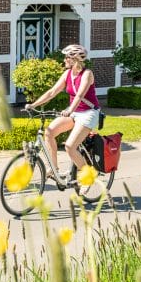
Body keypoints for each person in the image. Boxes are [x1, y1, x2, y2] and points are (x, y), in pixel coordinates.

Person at [26, 43, 100, 183]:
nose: (64, 60)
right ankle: (54, 169)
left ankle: (88, 177)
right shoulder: (67, 74)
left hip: (88, 113)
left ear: (74, 59)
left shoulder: (87, 74)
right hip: (73, 112)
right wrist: (33, 105)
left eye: (66, 57)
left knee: (70, 147)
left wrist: (69, 110)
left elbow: (79, 95)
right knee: (49, 132)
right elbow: (52, 92)